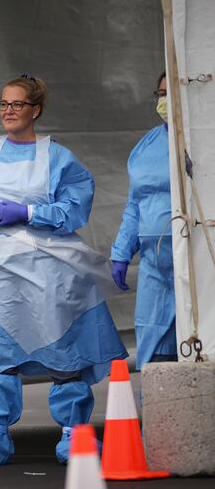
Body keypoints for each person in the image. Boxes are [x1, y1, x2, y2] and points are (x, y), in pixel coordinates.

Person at [0, 74, 127, 465]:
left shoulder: (59, 158)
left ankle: (73, 435)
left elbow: (74, 209)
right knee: (2, 351)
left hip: (51, 270)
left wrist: (27, 211)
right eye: (3, 104)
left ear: (36, 110)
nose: (8, 111)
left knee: (62, 350)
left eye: (17, 104)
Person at [110, 73, 178, 369]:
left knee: (197, 334)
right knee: (152, 333)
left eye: (171, 92)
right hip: (154, 262)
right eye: (160, 93)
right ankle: (157, 408)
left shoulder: (203, 140)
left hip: (193, 259)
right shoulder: (145, 146)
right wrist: (121, 252)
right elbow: (135, 204)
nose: (164, 100)